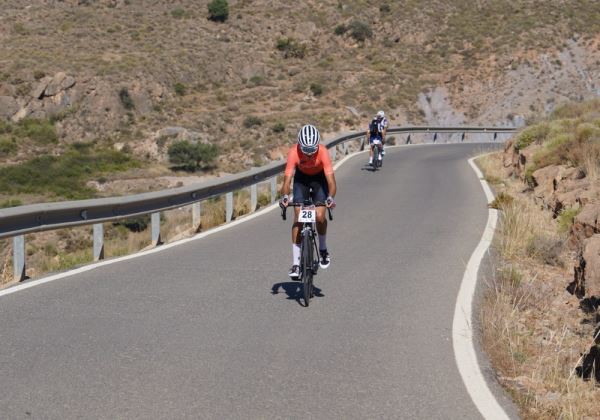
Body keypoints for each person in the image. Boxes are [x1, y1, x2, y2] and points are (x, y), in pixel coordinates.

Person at [279, 124, 337, 279]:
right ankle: (296, 264)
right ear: (300, 146)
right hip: (301, 180)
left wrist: (330, 198)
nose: (310, 154)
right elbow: (287, 181)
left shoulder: (323, 152)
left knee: (319, 216)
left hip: (319, 180)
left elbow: (331, 182)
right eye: (306, 151)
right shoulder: (293, 152)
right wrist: (285, 197)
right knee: (298, 217)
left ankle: (323, 249)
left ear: (317, 145)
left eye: (313, 150)